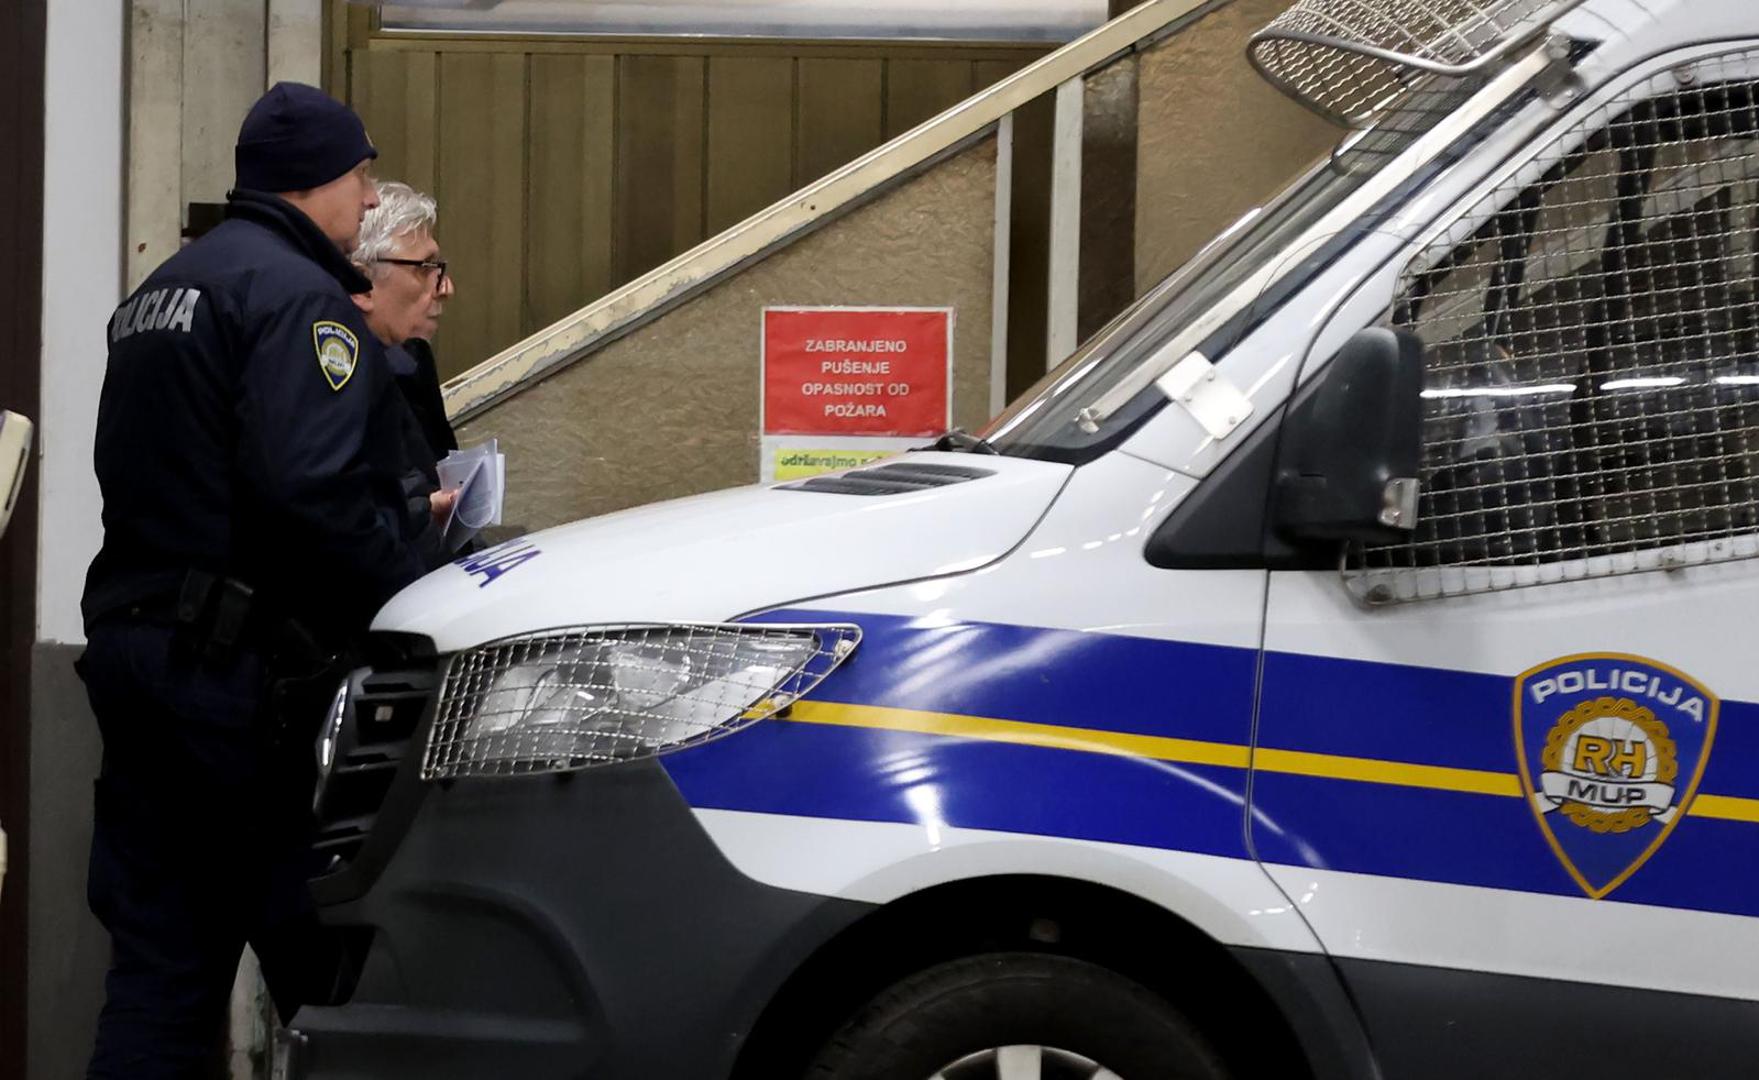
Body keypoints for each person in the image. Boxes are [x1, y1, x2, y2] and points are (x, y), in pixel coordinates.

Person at [78, 82, 452, 1078]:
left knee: (162, 969)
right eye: (360, 176)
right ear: (312, 179)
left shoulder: (160, 294)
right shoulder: (297, 296)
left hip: (137, 654)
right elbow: (311, 492)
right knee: (323, 959)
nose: (368, 199)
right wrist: (416, 587)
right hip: (235, 681)